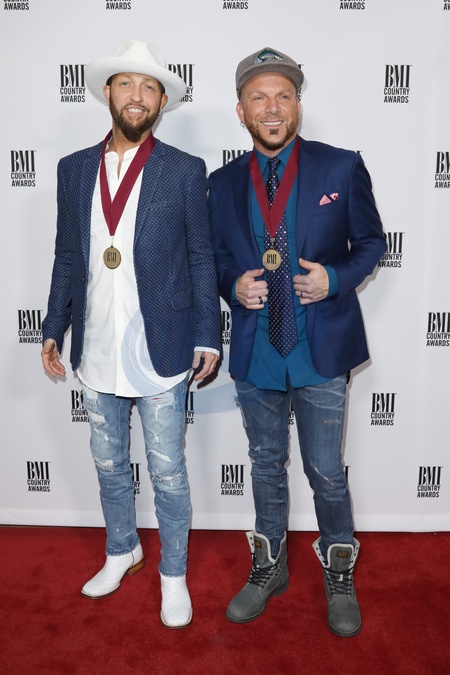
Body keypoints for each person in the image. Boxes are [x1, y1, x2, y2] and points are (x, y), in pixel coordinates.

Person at [41, 39, 220, 629]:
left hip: (159, 347)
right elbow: (67, 256)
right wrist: (53, 326)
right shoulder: (72, 169)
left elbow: (200, 258)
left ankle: (174, 574)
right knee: (109, 462)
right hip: (95, 346)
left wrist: (208, 334)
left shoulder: (184, 170)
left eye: (148, 87)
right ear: (108, 93)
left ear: (162, 101)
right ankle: (122, 549)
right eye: (126, 84)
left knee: (167, 470)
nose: (136, 95)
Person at [208, 47, 386, 637]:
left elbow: (371, 244)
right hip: (257, 348)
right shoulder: (220, 184)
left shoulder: (341, 167)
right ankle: (270, 567)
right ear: (240, 111)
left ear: (298, 105)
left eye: (283, 95)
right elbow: (211, 259)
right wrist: (231, 285)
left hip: (321, 348)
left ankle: (339, 571)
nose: (272, 107)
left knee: (326, 471)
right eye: (258, 97)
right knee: (264, 465)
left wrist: (334, 278)